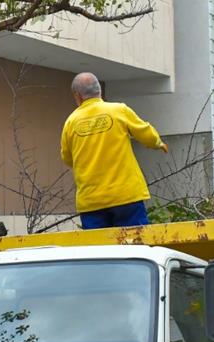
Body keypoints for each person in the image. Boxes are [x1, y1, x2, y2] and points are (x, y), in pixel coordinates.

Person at [60, 72, 168, 229]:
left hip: (91, 201)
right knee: (135, 246)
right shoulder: (119, 110)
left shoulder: (71, 122)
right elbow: (146, 134)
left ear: (78, 96)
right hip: (126, 196)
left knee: (101, 251)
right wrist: (158, 143)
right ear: (99, 91)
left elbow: (67, 158)